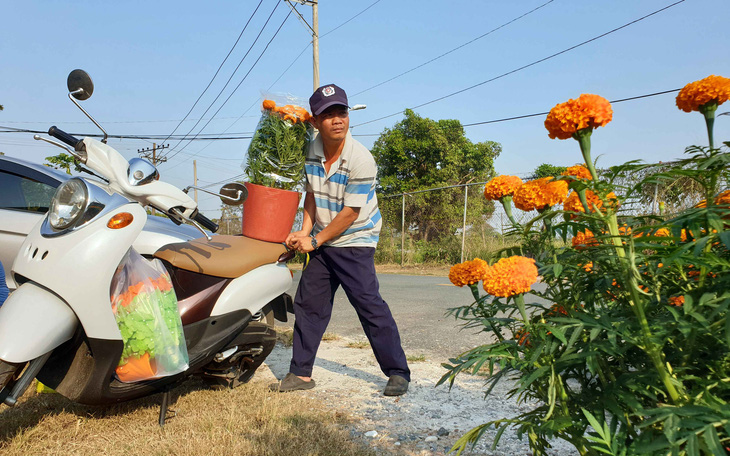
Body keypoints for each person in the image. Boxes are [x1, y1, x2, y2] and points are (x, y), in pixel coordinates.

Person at [271, 84, 411, 396]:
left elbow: (350, 213)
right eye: (328, 114)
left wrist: (315, 240)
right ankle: (300, 374)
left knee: (368, 303)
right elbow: (312, 194)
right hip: (322, 236)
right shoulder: (310, 151)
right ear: (315, 121)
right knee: (309, 303)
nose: (338, 120)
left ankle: (398, 372)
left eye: (342, 112)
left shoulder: (361, 159)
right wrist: (305, 231)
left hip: (356, 236)